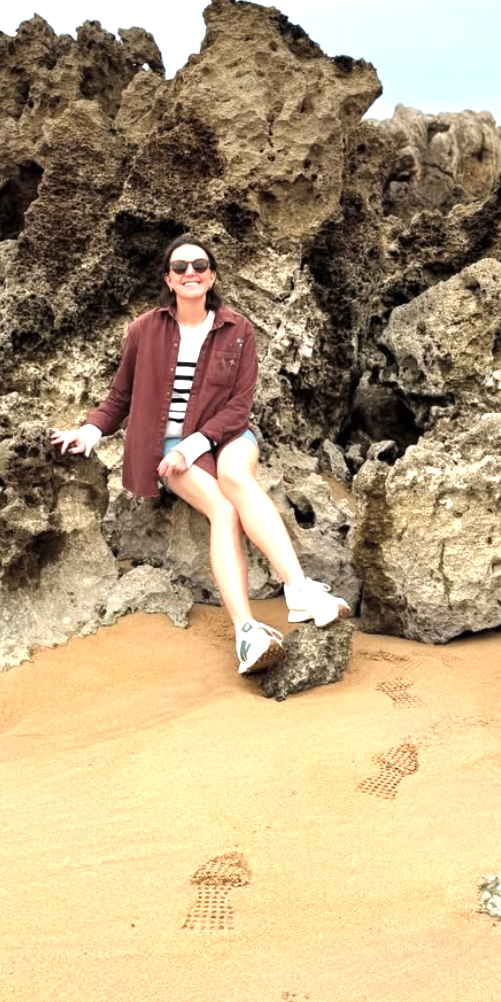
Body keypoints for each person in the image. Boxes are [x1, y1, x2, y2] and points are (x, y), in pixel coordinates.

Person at [49, 234, 349, 677]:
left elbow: (239, 407)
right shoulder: (144, 330)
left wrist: (195, 445)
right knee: (223, 511)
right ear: (169, 280)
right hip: (166, 447)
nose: (190, 272)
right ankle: (246, 632)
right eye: (180, 267)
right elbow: (120, 396)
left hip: (227, 436)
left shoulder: (238, 330)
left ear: (211, 277)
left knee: (237, 479)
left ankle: (299, 590)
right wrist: (89, 432)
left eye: (200, 265)